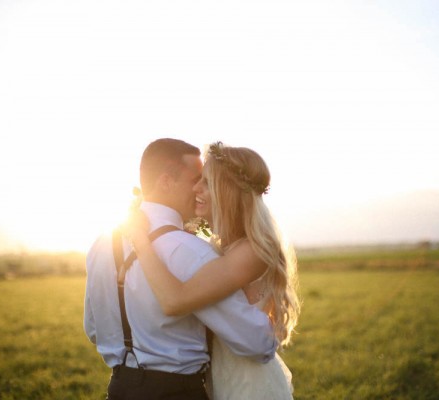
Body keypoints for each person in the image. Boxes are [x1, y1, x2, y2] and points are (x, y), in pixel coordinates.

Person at [83, 138, 277, 400]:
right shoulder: (191, 252)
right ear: (165, 181)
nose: (198, 189)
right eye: (194, 179)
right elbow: (258, 343)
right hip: (176, 392)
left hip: (118, 389)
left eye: (204, 181)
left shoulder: (102, 244)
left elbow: (94, 330)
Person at [128, 141, 301, 399]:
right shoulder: (223, 246)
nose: (196, 188)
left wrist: (141, 241)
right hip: (222, 376)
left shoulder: (251, 251)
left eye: (206, 182)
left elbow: (175, 299)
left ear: (226, 191)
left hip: (247, 384)